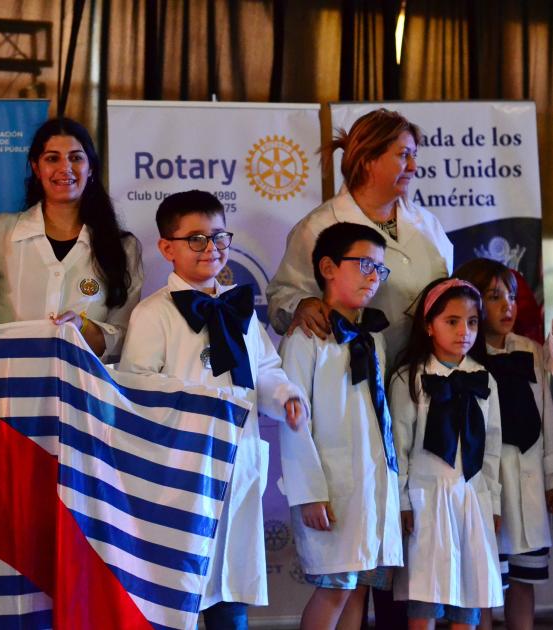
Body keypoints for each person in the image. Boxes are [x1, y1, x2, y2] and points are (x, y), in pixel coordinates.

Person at [118, 190, 306, 629]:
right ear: (167, 248)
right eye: (196, 239)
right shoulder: (153, 314)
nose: (211, 249)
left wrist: (285, 397)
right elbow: (138, 386)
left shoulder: (241, 312)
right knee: (180, 586)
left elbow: (265, 368)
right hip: (182, 470)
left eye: (219, 237)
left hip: (237, 464)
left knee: (230, 584)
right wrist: (200, 402)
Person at [0, 117, 143, 363]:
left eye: (76, 158)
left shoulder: (124, 247)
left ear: (91, 168)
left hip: (83, 393)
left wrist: (82, 327)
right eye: (53, 158)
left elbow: (126, 340)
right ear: (36, 167)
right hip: (5, 388)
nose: (65, 168)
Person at [278, 222, 402, 629]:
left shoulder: (374, 338)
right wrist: (309, 493)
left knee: (357, 588)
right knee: (335, 587)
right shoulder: (305, 338)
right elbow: (292, 421)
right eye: (365, 263)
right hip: (331, 488)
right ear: (328, 267)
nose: (373, 276)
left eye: (380, 269)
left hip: (370, 486)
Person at [267, 108, 453, 368]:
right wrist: (303, 304)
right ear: (368, 160)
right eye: (403, 156)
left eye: (414, 156)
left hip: (421, 380)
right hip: (351, 378)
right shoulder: (318, 226)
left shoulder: (429, 224)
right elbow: (281, 297)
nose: (413, 167)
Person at [389, 278, 503, 629]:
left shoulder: (483, 378)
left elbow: (492, 449)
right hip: (427, 499)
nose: (463, 331)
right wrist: (404, 503)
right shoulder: (409, 378)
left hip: (471, 498)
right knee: (427, 591)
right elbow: (399, 447)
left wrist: (494, 503)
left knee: (468, 594)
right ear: (428, 325)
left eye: (471, 322)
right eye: (451, 321)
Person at [454, 259, 552, 630]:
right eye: (494, 297)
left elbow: (548, 418)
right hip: (487, 485)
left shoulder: (531, 351)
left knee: (524, 582)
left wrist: (550, 476)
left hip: (527, 481)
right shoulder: (465, 358)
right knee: (488, 580)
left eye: (510, 296)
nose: (507, 305)